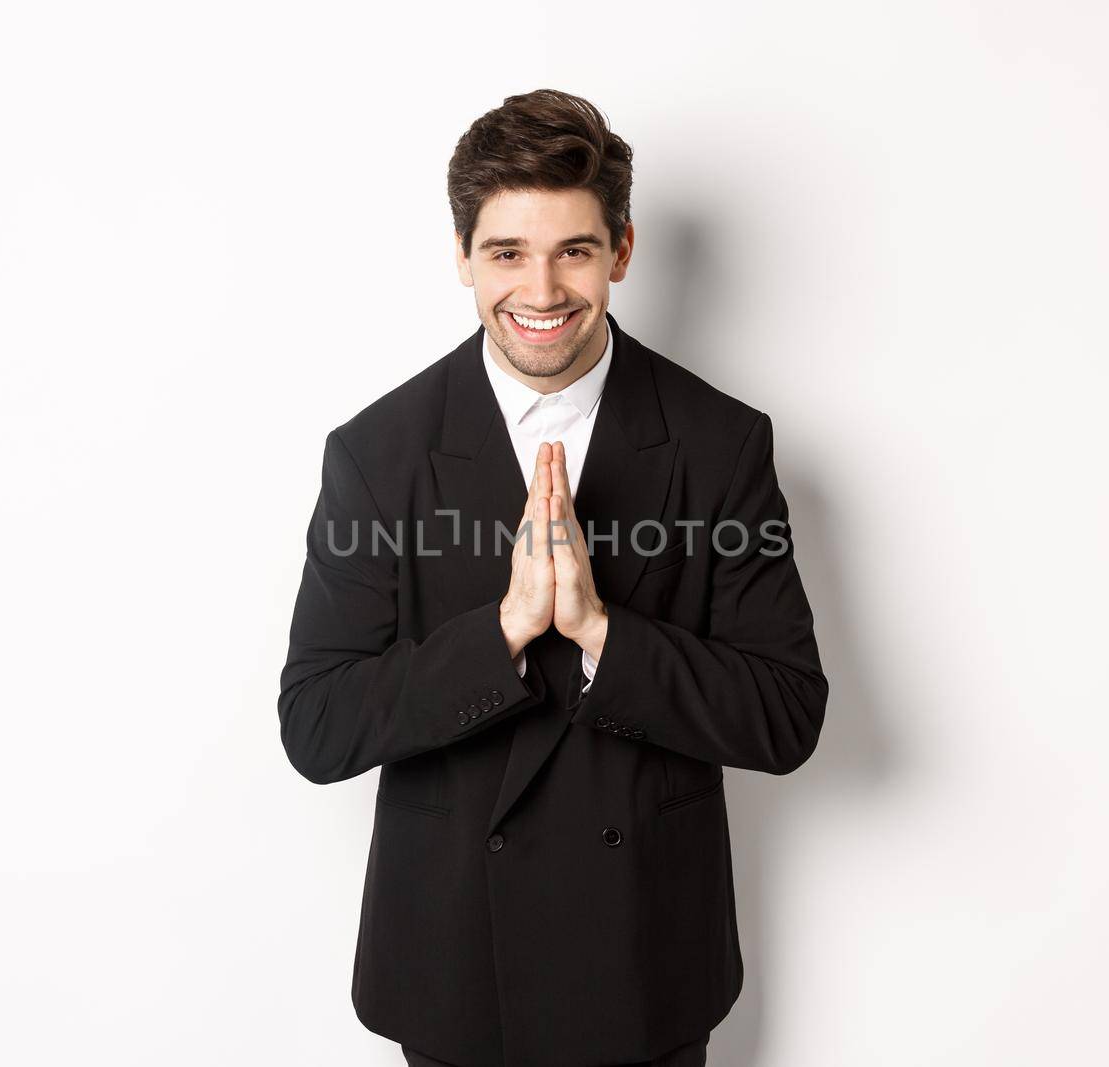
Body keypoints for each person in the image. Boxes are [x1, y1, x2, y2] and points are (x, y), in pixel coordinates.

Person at [277, 88, 828, 1067]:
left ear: (620, 250)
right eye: (505, 252)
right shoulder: (377, 454)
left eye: (572, 249)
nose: (540, 289)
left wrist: (602, 633)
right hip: (453, 974)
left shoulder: (721, 443)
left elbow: (785, 714)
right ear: (460, 255)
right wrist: (503, 631)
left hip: (646, 963)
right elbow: (317, 724)